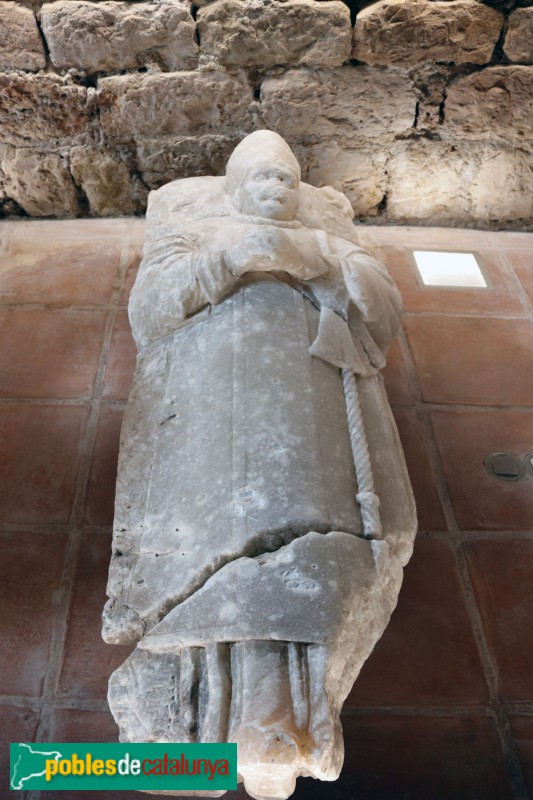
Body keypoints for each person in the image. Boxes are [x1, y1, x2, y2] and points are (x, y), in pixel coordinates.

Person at [104, 131, 416, 800]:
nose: (275, 189)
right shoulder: (196, 226)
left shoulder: (326, 238)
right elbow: (148, 312)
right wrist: (226, 262)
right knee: (211, 536)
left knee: (308, 541)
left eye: (286, 179)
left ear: (301, 189)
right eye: (261, 177)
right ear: (234, 184)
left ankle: (283, 718)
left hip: (309, 397)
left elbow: (383, 317)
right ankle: (199, 725)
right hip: (208, 389)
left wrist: (321, 266)